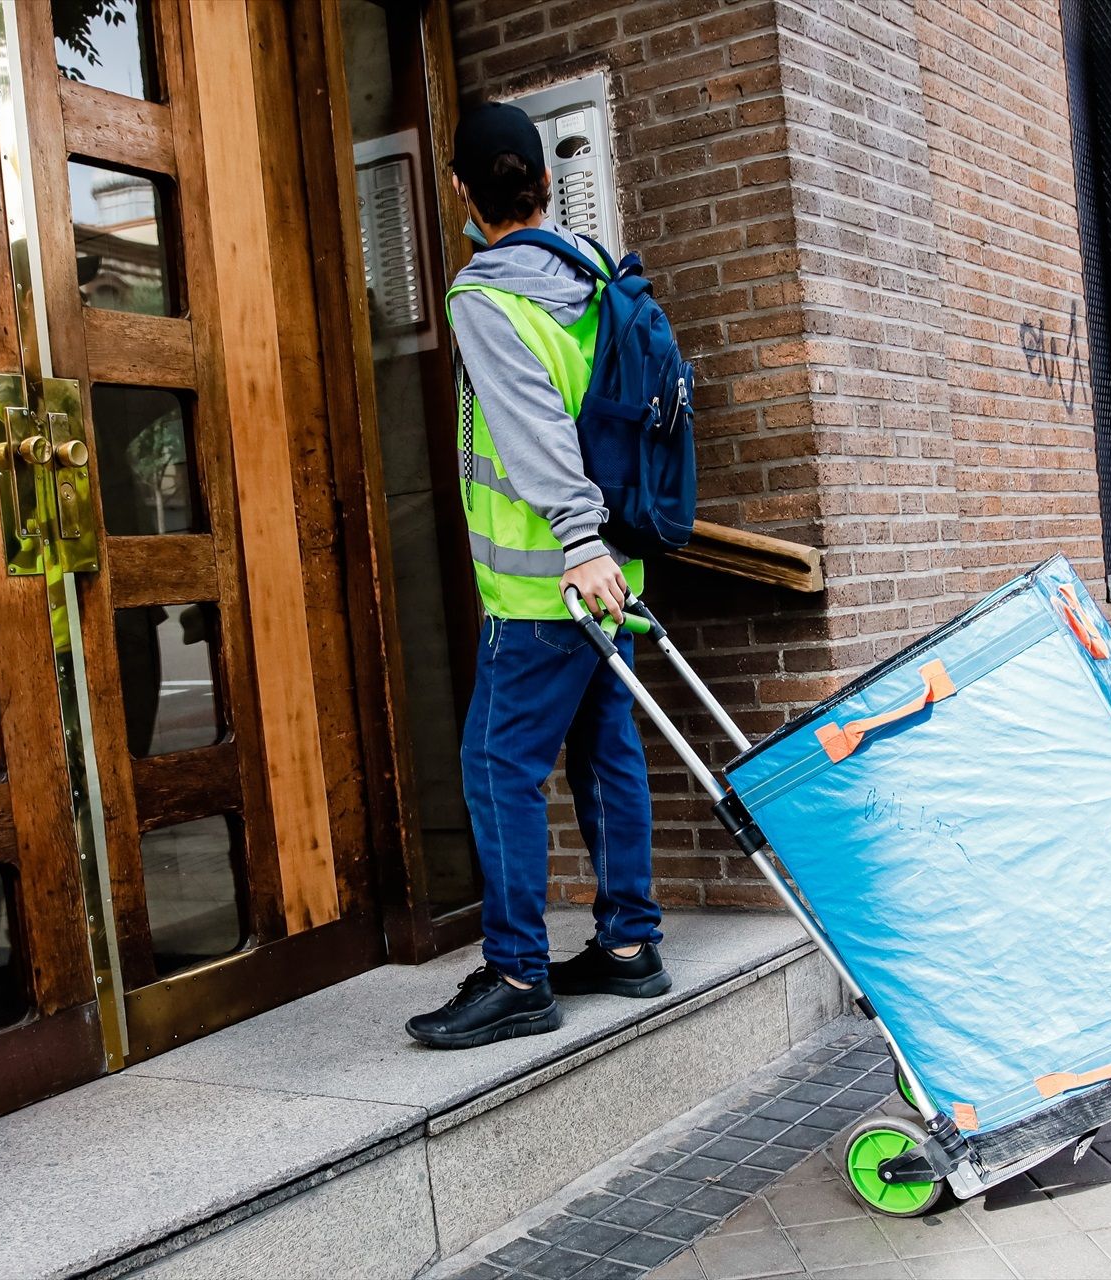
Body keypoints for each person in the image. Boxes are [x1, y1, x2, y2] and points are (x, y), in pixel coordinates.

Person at [405, 102, 668, 1051]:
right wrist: (604, 549)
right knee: (606, 751)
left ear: (465, 193)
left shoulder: (485, 295)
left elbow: (532, 430)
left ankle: (517, 972)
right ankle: (631, 945)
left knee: (495, 763)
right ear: (548, 185)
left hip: (546, 578)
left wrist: (575, 539)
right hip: (612, 568)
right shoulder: (593, 269)